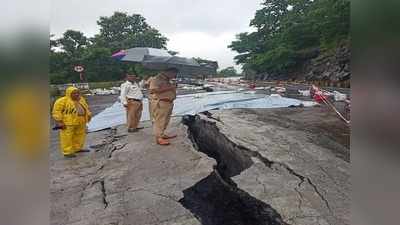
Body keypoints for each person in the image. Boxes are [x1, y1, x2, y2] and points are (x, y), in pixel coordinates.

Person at [52, 87, 92, 158]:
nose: (76, 94)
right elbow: (56, 112)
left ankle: (77, 148)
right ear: (69, 93)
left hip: (81, 121)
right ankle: (67, 152)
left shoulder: (81, 99)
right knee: (67, 137)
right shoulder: (62, 101)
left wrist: (88, 116)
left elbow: (86, 108)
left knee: (80, 135)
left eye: (77, 93)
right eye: (74, 93)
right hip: (68, 122)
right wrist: (60, 122)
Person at [149, 68, 178, 145]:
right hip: (161, 102)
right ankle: (159, 138)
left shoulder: (167, 80)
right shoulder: (156, 79)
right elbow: (152, 90)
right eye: (173, 73)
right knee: (160, 121)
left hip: (168, 102)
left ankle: (161, 134)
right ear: (168, 72)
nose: (174, 76)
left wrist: (173, 87)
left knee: (165, 120)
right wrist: (170, 87)